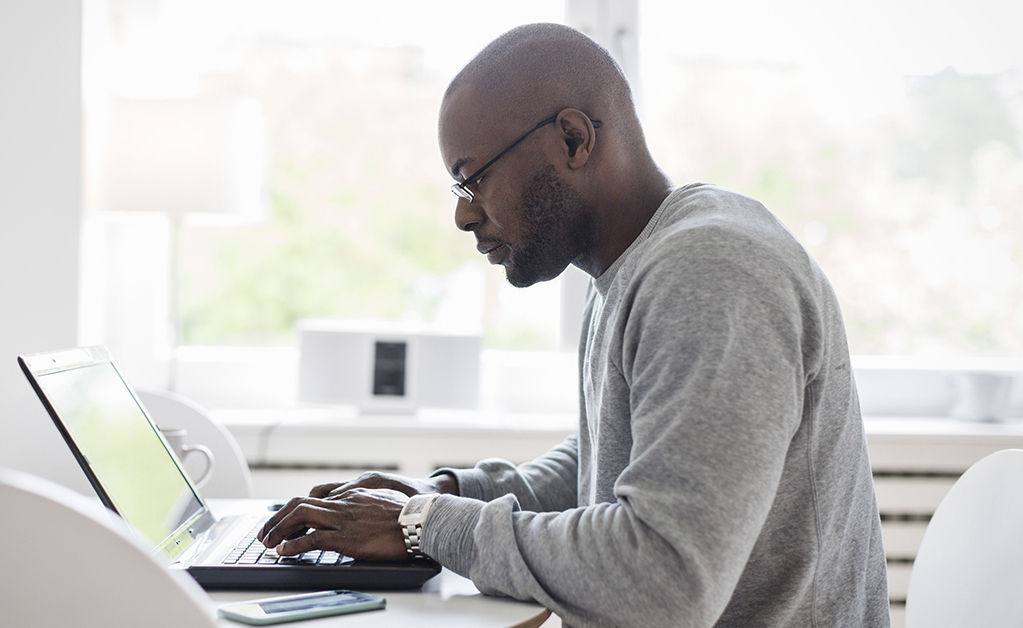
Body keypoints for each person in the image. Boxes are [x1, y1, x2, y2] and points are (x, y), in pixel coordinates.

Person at [259, 23, 890, 627]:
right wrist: (445, 493)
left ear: (572, 140)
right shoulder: (637, 266)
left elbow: (664, 580)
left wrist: (431, 525)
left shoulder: (710, 271)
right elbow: (611, 465)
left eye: (473, 178)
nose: (462, 215)